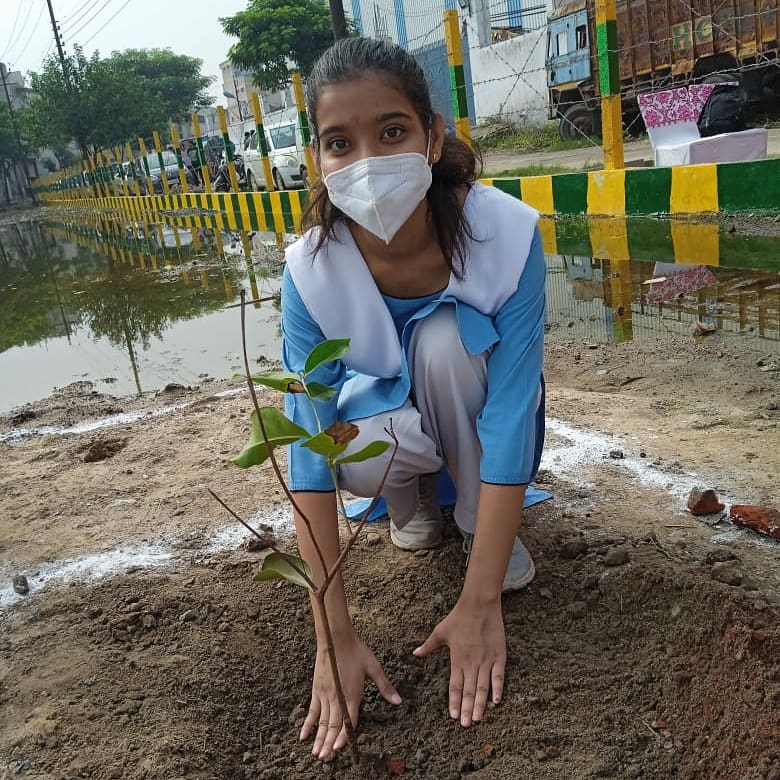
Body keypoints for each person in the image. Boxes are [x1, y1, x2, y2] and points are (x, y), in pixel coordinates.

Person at [280, 37, 545, 761]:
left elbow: (514, 409)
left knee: (447, 341)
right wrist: (331, 634)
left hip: (474, 417)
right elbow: (308, 443)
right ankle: (410, 508)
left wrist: (480, 600)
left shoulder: (504, 237)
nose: (367, 162)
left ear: (432, 137)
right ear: (319, 161)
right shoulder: (310, 272)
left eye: (391, 132)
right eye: (341, 142)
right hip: (392, 430)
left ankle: (477, 530)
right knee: (347, 446)